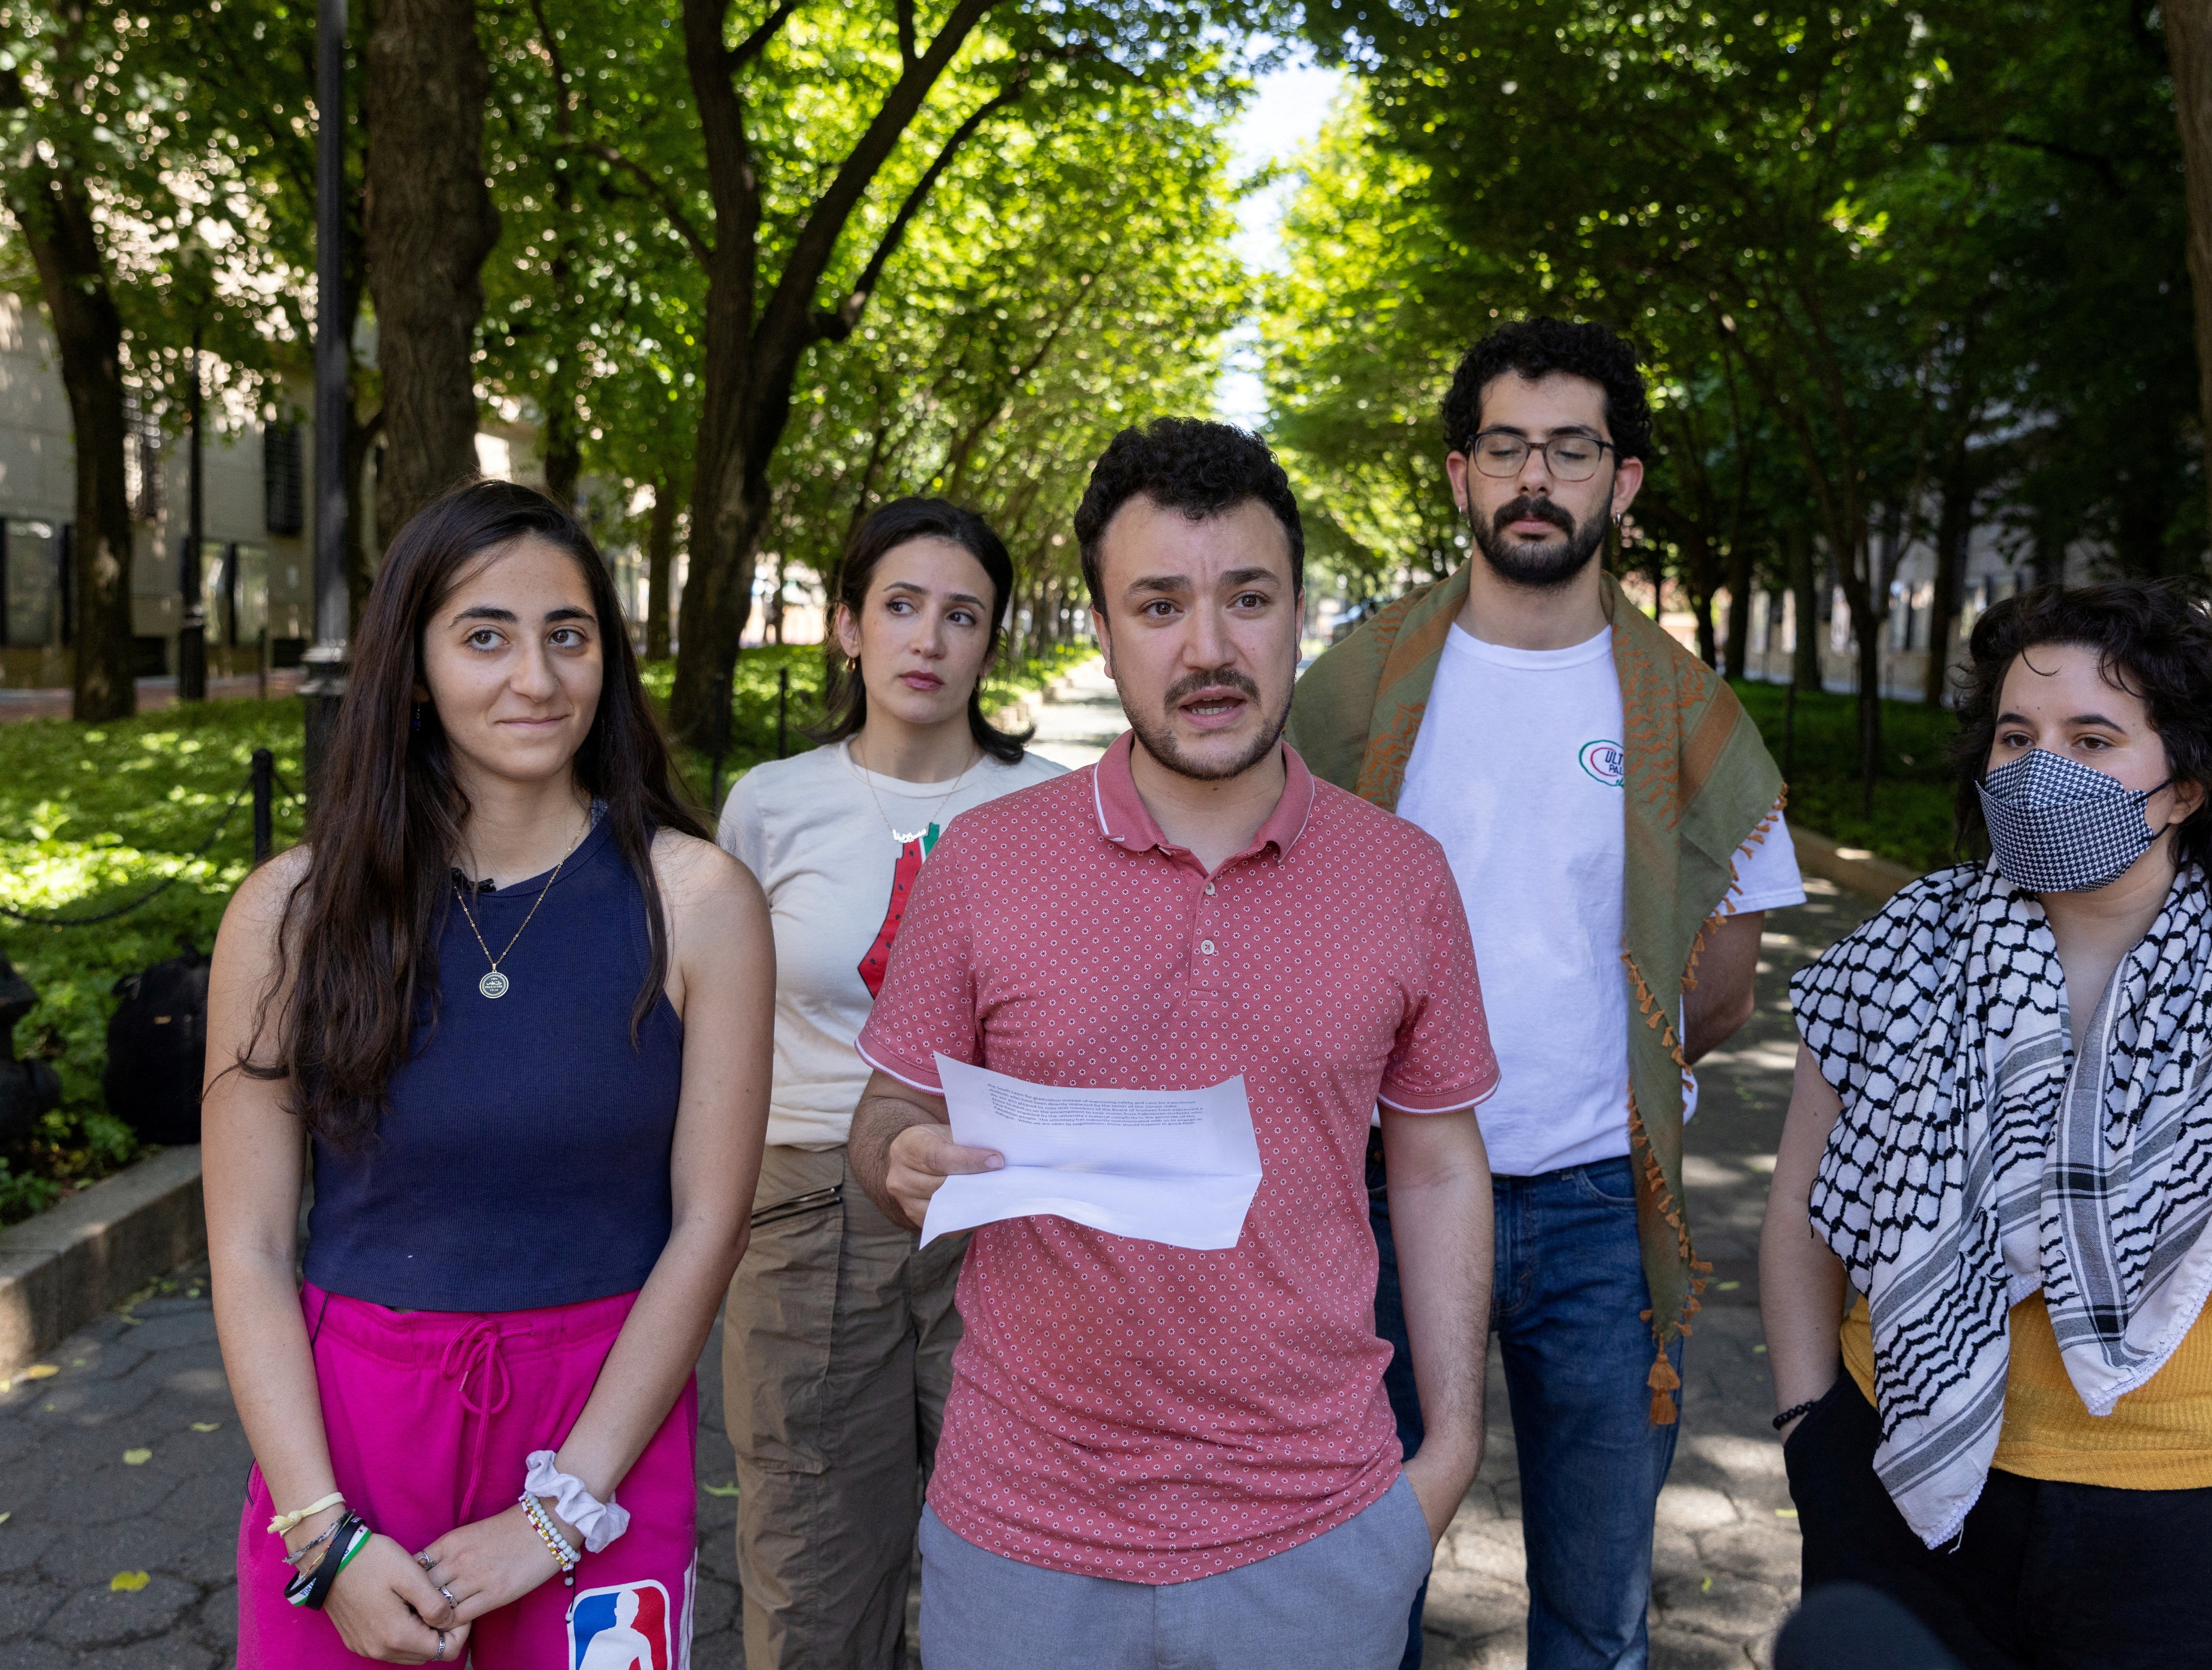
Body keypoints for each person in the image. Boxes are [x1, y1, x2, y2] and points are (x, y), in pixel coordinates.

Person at [848, 418, 1502, 1670]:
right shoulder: (985, 861)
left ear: (1299, 610)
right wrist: (904, 1157)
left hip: (1319, 1530)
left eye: (1246, 597)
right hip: (1020, 1533)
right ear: (1101, 628)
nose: (1208, 647)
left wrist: (1450, 1452)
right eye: (1158, 604)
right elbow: (882, 1117)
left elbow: (1434, 1163)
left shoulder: (1404, 876)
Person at [1762, 581, 2212, 1669]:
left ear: (2184, 785)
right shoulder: (1888, 968)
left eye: (2092, 737)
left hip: (2199, 1546)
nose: (2041, 770)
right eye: (2014, 735)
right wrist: (1810, 1430)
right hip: (1899, 1498)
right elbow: (1804, 1215)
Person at [1289, 316, 1800, 1669]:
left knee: (1596, 1616)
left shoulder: (1691, 717)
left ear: (1619, 483)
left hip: (1595, 1215)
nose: (1534, 478)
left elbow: (1726, 990)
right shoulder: (1354, 688)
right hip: (1375, 1200)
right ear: (1459, 474)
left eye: (1568, 450)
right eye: (1505, 448)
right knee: (1355, 1592)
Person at [203, 481, 773, 1667]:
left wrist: (562, 1508)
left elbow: (708, 1223)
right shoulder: (291, 915)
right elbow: (248, 1247)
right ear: (412, 668)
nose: (536, 676)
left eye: (568, 634)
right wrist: (325, 1535)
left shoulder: (699, 902)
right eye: (484, 635)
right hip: (347, 1434)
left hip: (600, 1427)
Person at [715, 498, 1063, 1670]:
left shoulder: (1059, 805)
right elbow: (715, 1035)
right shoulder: (770, 804)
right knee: (815, 1581)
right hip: (810, 1217)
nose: (929, 640)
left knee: (1017, 1570)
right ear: (845, 627)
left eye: (961, 614)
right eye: (900, 606)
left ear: (990, 640)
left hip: (1006, 1214)